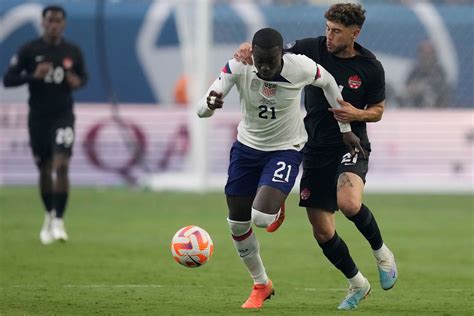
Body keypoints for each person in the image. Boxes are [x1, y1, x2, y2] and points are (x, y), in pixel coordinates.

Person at [234, 3, 398, 310]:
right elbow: (273, 52)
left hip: (351, 144)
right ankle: (357, 283)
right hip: (315, 147)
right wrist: (248, 48)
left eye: (336, 31)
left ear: (354, 33)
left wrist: (357, 113)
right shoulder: (311, 49)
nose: (329, 36)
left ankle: (382, 253)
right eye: (327, 28)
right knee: (322, 230)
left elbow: (378, 111)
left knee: (348, 203)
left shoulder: (370, 67)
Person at [197, 27, 363, 309]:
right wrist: (210, 105)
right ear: (253, 54)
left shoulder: (300, 66)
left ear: (281, 55)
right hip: (247, 149)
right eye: (259, 60)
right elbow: (202, 108)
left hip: (286, 148)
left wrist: (345, 127)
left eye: (270, 61)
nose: (263, 66)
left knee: (261, 217)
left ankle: (274, 196)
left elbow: (330, 82)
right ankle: (261, 283)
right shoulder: (240, 64)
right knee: (237, 222)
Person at [3, 5, 88, 245]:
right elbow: (8, 79)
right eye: (50, 20)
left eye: (58, 21)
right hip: (38, 117)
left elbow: (84, 77)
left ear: (64, 24)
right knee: (44, 168)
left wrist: (76, 81)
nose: (54, 25)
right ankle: (49, 215)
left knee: (61, 164)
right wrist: (33, 76)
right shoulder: (29, 50)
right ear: (43, 23)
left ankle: (59, 221)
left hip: (63, 116)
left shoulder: (72, 51)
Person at [403, 40, 452, 108]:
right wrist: (413, 89)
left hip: (436, 106)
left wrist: (423, 87)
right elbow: (406, 87)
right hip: (415, 106)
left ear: (434, 55)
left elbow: (441, 88)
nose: (427, 57)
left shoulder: (440, 71)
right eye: (424, 54)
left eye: (429, 54)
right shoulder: (415, 71)